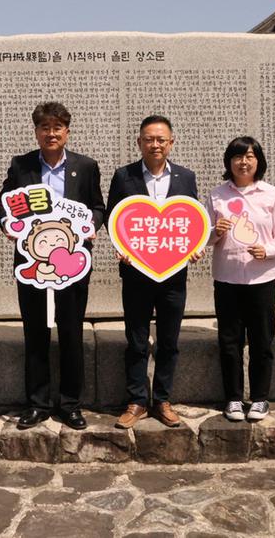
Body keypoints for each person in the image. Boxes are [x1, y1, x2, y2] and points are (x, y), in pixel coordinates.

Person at [0, 102, 105, 431]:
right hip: (32, 265)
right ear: (36, 131)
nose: (51, 133)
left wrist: (92, 225)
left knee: (71, 333)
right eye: (45, 128)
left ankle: (71, 404)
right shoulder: (22, 165)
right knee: (36, 333)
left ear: (67, 132)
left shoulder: (85, 166)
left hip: (72, 264)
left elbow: (98, 206)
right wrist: (7, 225)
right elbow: (2, 204)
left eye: (57, 128)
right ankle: (37, 403)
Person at [108, 115, 200, 429]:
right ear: (139, 142)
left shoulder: (186, 177)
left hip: (174, 275)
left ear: (171, 143)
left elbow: (192, 222)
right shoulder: (124, 176)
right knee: (135, 340)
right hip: (136, 274)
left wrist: (195, 246)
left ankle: (161, 399)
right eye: (149, 139)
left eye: (161, 139)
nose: (155, 144)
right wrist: (118, 247)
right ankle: (136, 401)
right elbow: (114, 219)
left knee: (169, 340)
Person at [206, 137, 275, 422]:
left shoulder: (271, 194)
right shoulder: (217, 195)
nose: (244, 162)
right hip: (227, 278)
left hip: (262, 279)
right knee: (229, 341)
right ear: (228, 161)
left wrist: (267, 250)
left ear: (258, 161)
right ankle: (232, 398)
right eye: (238, 157)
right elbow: (203, 237)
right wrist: (215, 231)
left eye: (250, 156)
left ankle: (259, 398)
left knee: (261, 341)